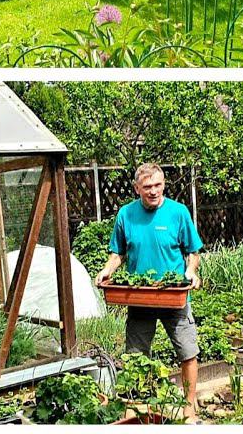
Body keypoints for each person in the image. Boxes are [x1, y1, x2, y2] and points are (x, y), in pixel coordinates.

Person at [95, 163, 204, 416]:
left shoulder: (178, 213)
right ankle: (140, 408)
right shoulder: (126, 215)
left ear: (164, 184)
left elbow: (193, 253)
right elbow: (118, 253)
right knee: (135, 357)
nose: (153, 191)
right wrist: (107, 270)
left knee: (187, 351)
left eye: (158, 185)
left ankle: (189, 407)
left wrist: (191, 272)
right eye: (147, 187)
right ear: (136, 188)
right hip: (139, 297)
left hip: (174, 296)